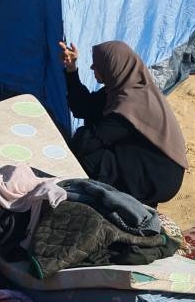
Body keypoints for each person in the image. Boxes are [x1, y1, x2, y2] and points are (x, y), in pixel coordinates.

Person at [59, 40, 188, 206]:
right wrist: (71, 69)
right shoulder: (125, 88)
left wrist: (80, 134)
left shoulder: (130, 106)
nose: (92, 68)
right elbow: (84, 108)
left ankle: (133, 198)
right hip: (143, 162)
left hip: (157, 178)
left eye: (97, 65)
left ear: (112, 67)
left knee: (88, 158)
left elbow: (84, 144)